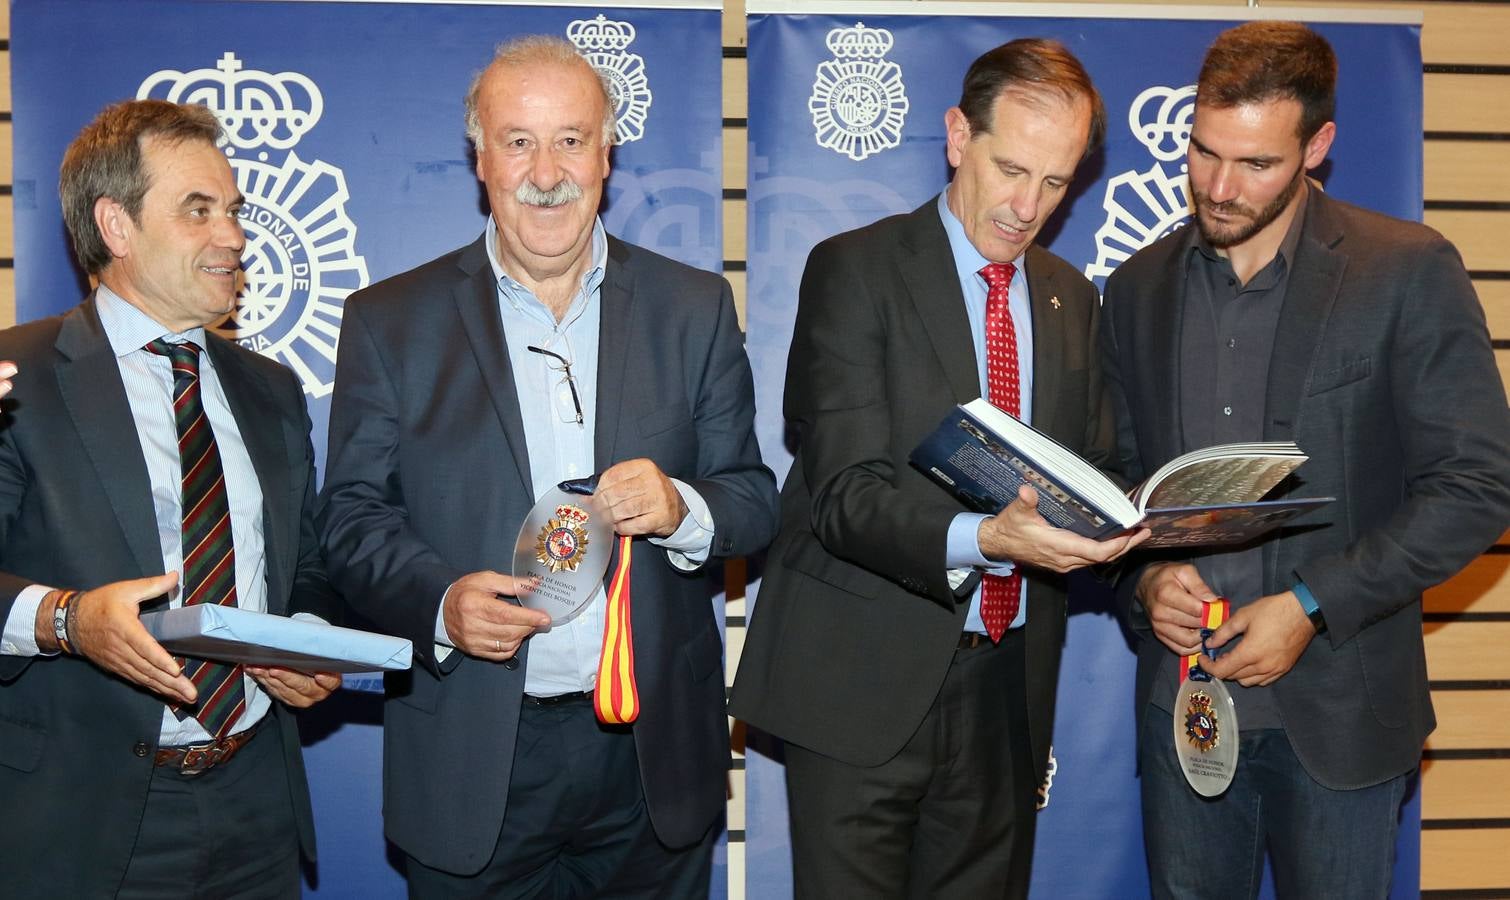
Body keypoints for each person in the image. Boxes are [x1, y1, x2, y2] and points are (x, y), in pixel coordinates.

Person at [317, 35, 779, 897]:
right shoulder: (389, 320)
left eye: (570, 138)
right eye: (518, 141)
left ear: (608, 152)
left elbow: (753, 498)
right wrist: (442, 603)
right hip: (474, 750)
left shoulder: (694, 308)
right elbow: (350, 517)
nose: (546, 170)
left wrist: (683, 507)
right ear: (480, 156)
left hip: (647, 761)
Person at [1100, 21, 1510, 898]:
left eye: (1256, 165)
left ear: (1317, 148)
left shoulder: (1405, 270)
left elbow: (1477, 487)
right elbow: (1122, 476)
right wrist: (1145, 578)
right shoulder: (1137, 287)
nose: (1218, 187)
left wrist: (1312, 607)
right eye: (1204, 152)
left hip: (1343, 713)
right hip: (1184, 712)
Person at [729, 39, 1145, 898]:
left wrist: (1166, 514)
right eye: (1012, 168)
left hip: (1006, 691)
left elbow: (1097, 466)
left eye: (1057, 181)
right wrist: (987, 537)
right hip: (860, 686)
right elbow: (843, 496)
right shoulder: (855, 270)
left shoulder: (1071, 296)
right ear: (959, 136)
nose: (1028, 206)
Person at [0, 99, 343, 897]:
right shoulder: (20, 380)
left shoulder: (271, 390)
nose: (233, 236)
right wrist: (68, 621)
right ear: (116, 226)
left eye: (232, 211)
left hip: (257, 802)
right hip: (79, 817)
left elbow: (308, 564)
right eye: (198, 211)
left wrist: (308, 639)